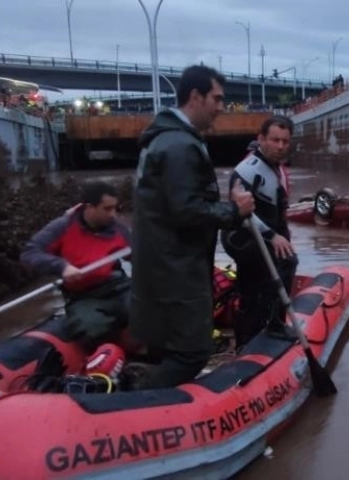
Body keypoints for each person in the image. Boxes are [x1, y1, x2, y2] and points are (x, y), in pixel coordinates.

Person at [129, 64, 255, 389]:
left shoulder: (165, 140)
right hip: (177, 268)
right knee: (193, 352)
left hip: (161, 263)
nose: (221, 107)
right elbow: (186, 210)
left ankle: (150, 398)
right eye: (217, 98)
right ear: (195, 96)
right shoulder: (178, 146)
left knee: (165, 347)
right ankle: (142, 404)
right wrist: (234, 210)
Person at [20, 180, 131, 353]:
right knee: (92, 328)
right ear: (89, 207)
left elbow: (139, 258)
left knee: (150, 309)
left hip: (118, 287)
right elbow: (30, 253)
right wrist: (61, 266)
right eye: (107, 209)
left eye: (115, 208)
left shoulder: (118, 229)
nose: (113, 214)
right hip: (82, 296)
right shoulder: (62, 227)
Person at [220, 115, 298, 349]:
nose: (280, 146)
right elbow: (241, 212)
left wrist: (283, 235)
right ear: (261, 139)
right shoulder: (247, 170)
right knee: (265, 277)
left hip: (263, 232)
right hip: (241, 236)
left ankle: (272, 323)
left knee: (282, 263)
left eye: (285, 141)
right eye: (275, 140)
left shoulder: (279, 168)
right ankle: (254, 337)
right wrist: (273, 237)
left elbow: (278, 210)